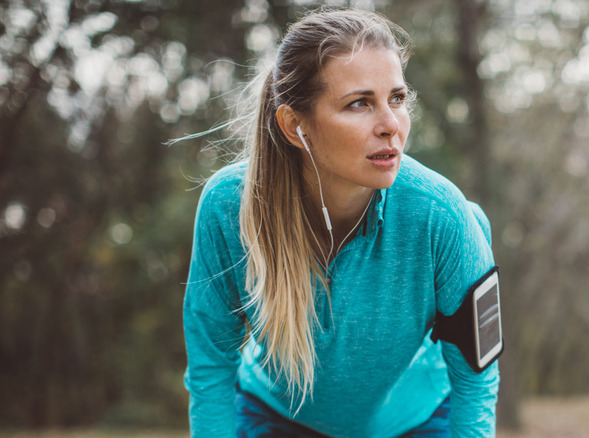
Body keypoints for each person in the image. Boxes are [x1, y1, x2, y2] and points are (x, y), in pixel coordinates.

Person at [183, 8, 499, 438]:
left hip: (416, 420)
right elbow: (210, 366)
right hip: (278, 415)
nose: (391, 125)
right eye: (359, 104)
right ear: (296, 125)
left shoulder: (444, 216)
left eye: (398, 99)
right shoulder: (229, 207)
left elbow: (477, 382)